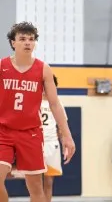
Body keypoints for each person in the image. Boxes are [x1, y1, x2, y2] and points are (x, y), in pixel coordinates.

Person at [0, 22, 76, 202]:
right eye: (22, 39)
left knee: (36, 189)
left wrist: (67, 136)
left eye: (31, 39)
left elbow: (55, 104)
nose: (27, 43)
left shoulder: (43, 69)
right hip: (4, 131)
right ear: (13, 43)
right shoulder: (2, 66)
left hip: (31, 134)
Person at [40, 75, 67, 202]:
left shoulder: (57, 103)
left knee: (49, 182)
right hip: (35, 143)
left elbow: (61, 127)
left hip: (51, 144)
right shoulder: (33, 101)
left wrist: (64, 144)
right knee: (34, 183)